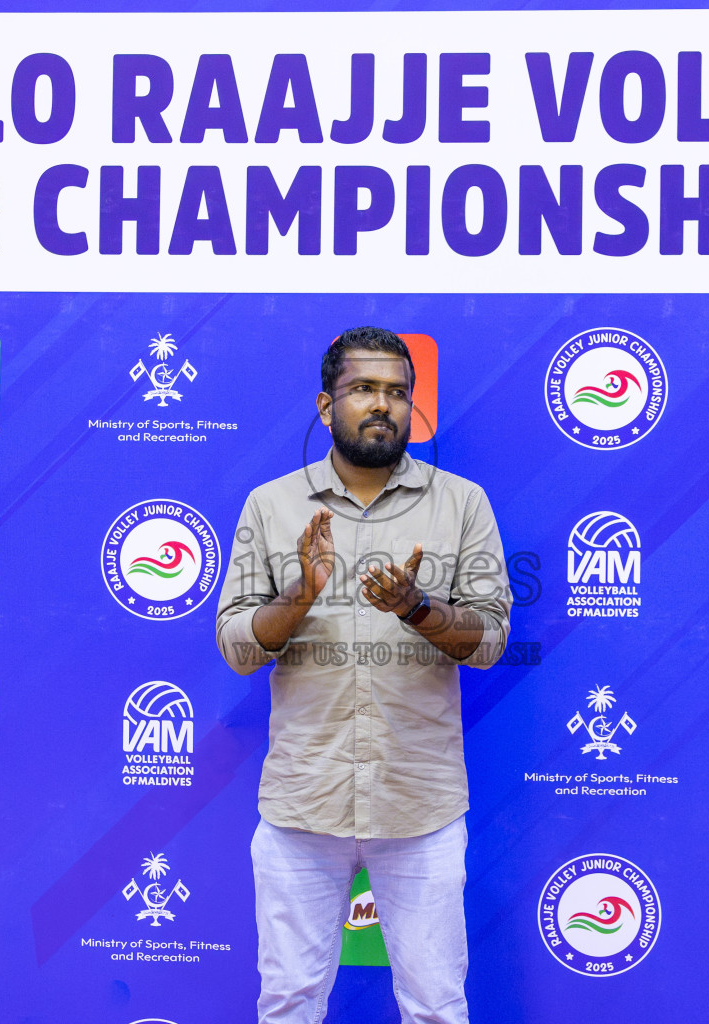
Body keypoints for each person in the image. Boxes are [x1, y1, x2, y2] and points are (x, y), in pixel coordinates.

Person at [215, 326, 511, 1024]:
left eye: (397, 393)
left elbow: (491, 637)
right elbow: (236, 645)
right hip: (301, 804)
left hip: (420, 806)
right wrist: (301, 594)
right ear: (326, 406)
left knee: (437, 1007)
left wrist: (417, 608)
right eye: (364, 390)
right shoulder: (271, 504)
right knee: (288, 1005)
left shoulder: (461, 503)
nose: (383, 405)